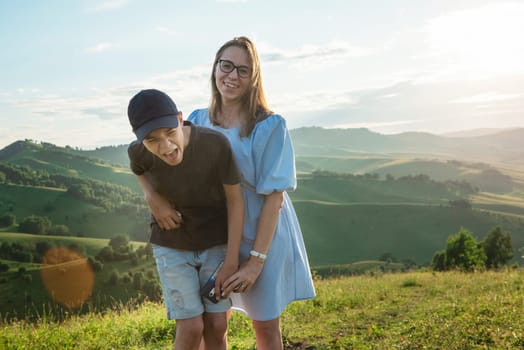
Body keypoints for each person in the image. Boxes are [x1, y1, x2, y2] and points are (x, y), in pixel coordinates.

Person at [142, 36, 316, 349]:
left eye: (243, 70)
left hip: (263, 232)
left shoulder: (270, 125)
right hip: (216, 236)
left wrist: (254, 263)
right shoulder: (197, 119)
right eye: (226, 66)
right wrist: (154, 199)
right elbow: (151, 157)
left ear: (254, 78)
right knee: (215, 323)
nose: (232, 76)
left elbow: (274, 198)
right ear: (214, 69)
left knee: (265, 327)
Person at [126, 88, 244, 350]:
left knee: (217, 325)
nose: (166, 147)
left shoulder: (215, 145)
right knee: (190, 327)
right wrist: (151, 197)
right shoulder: (138, 152)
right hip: (171, 246)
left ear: (180, 118)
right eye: (152, 140)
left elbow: (235, 202)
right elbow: (137, 168)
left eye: (170, 133)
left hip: (216, 244)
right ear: (140, 139)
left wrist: (232, 261)